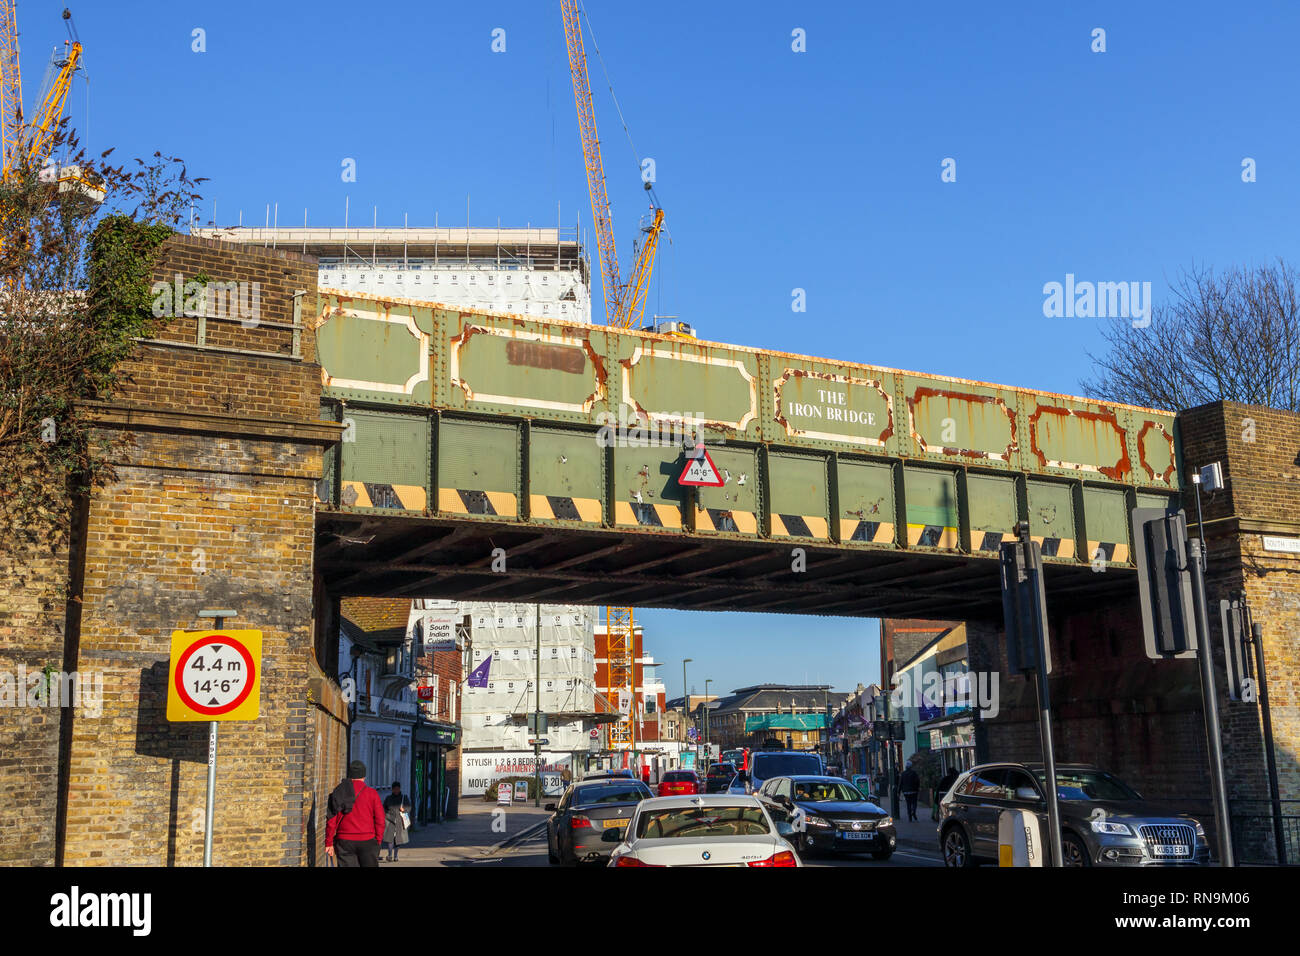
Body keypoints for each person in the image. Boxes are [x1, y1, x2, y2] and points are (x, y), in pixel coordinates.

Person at [325, 760, 385, 867]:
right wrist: (378, 841)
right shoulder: (372, 793)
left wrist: (329, 842)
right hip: (368, 840)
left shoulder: (339, 792)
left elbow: (331, 818)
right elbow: (380, 820)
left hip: (344, 841)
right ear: (364, 776)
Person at [382, 781, 413, 862]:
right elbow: (383, 808)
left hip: (400, 821)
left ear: (399, 789)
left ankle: (395, 856)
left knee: (398, 840)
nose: (396, 790)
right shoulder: (388, 798)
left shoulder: (404, 797)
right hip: (389, 820)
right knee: (390, 839)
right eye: (394, 789)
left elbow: (409, 807)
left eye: (397, 789)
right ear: (392, 790)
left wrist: (404, 810)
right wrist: (386, 815)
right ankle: (389, 855)